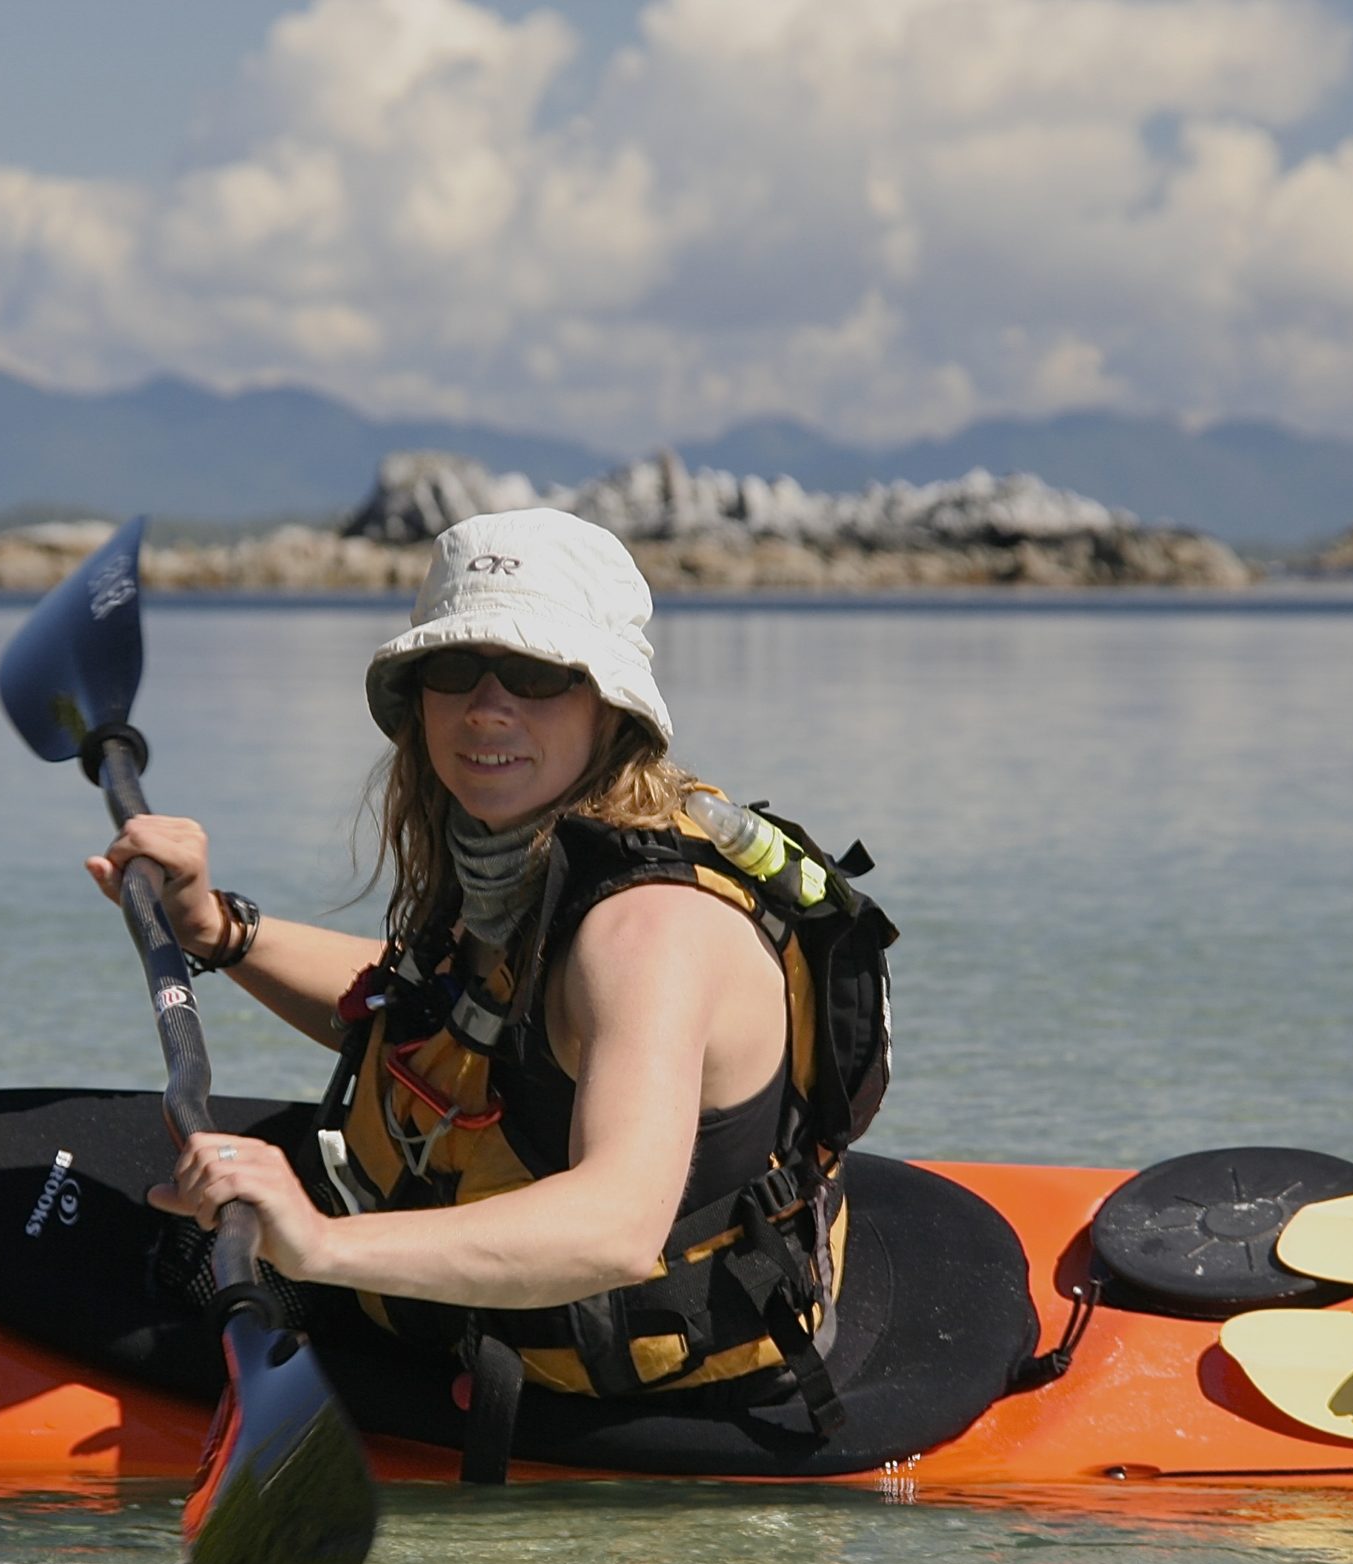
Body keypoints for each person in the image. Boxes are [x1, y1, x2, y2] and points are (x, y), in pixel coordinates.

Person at [87, 508, 875, 1433]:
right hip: (489, 1321)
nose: (486, 707)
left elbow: (616, 1226)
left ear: (606, 705)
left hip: (651, 1382)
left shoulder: (648, 929)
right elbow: (440, 1016)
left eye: (535, 675)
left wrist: (320, 1245)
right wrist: (219, 928)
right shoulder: (517, 847)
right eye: (454, 670)